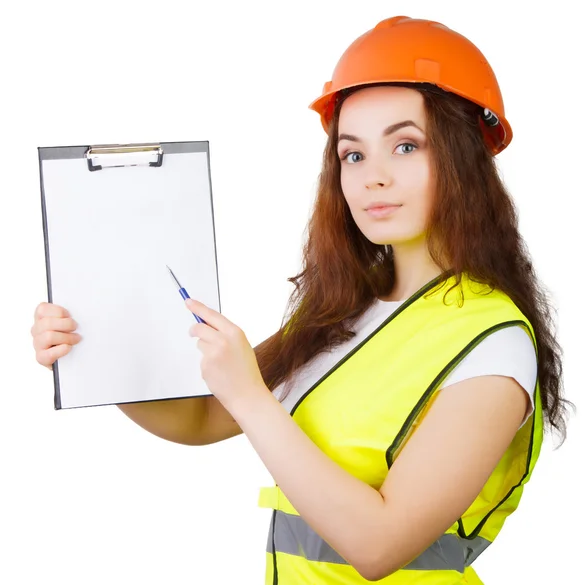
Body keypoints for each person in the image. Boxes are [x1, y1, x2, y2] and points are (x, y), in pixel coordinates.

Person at [31, 15, 572, 584]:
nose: (372, 177)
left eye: (406, 145)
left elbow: (379, 545)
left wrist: (252, 396)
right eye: (352, 154)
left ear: (467, 160)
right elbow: (201, 417)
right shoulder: (344, 311)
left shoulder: (493, 342)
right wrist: (96, 350)